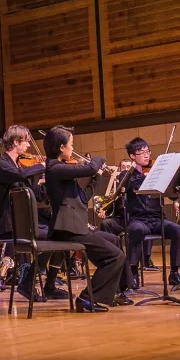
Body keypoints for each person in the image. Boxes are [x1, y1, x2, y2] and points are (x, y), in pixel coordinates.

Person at [44, 125, 134, 312]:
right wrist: (98, 160)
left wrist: (98, 176)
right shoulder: (54, 168)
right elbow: (90, 166)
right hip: (67, 229)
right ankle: (87, 298)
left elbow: (84, 198)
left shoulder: (63, 171)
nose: (72, 148)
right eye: (71, 144)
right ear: (61, 147)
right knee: (115, 256)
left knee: (114, 240)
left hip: (75, 227)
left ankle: (117, 291)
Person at [0, 124, 66, 301]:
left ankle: (49, 284)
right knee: (55, 237)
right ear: (16, 142)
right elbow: (20, 176)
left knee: (63, 235)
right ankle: (27, 281)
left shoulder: (19, 166)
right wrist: (45, 164)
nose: (28, 146)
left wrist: (53, 181)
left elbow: (38, 194)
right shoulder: (2, 164)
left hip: (25, 222)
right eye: (25, 141)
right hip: (12, 223)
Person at [123, 138, 180, 288]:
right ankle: (133, 273)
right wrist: (146, 178)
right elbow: (130, 187)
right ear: (132, 156)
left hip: (157, 219)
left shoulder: (157, 173)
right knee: (136, 231)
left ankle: (175, 272)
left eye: (147, 151)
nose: (146, 155)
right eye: (141, 152)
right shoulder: (127, 176)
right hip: (139, 220)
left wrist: (176, 185)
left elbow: (172, 195)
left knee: (177, 229)